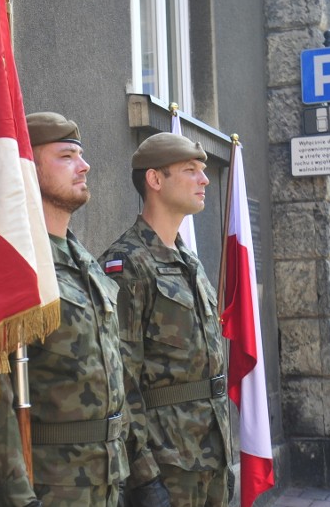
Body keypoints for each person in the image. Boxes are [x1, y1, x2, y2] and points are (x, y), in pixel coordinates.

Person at [0, 112, 128, 506]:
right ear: (28, 169)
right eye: (67, 156)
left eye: (81, 155)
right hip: (48, 486)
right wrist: (19, 497)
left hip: (104, 481)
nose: (84, 165)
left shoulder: (84, 261)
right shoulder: (14, 268)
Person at [100, 133, 231, 507]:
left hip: (211, 451)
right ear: (155, 180)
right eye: (191, 170)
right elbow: (120, 382)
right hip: (168, 462)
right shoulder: (127, 263)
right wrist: (144, 477)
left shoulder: (188, 260)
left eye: (203, 171)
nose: (204, 180)